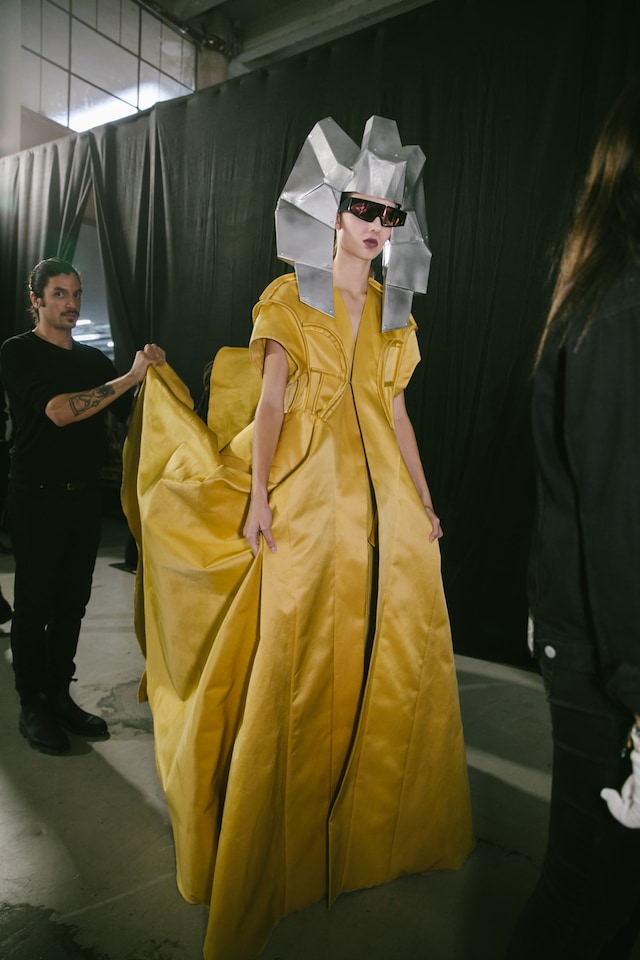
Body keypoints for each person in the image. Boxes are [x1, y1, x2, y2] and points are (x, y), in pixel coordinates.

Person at [123, 116, 473, 960]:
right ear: (333, 209)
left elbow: (398, 411)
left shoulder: (395, 310)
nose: (375, 224)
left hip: (381, 498)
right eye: (362, 206)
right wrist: (257, 497)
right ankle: (278, 849)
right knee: (293, 653)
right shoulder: (292, 296)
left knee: (392, 651)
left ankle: (368, 839)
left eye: (388, 215)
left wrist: (424, 502)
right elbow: (273, 401)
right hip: (309, 491)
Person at [505, 76, 640, 959]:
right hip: (609, 663)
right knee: (588, 897)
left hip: (595, 647)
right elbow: (621, 526)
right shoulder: (620, 309)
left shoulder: (607, 297)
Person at [0, 257, 165, 757]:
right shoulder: (18, 352)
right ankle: (33, 704)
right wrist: (130, 376)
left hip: (84, 499)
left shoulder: (93, 361)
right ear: (36, 300)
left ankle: (59, 693)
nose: (70, 303)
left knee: (72, 603)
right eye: (58, 294)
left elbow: (133, 417)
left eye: (76, 294)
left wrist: (165, 385)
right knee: (35, 606)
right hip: (35, 499)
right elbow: (57, 412)